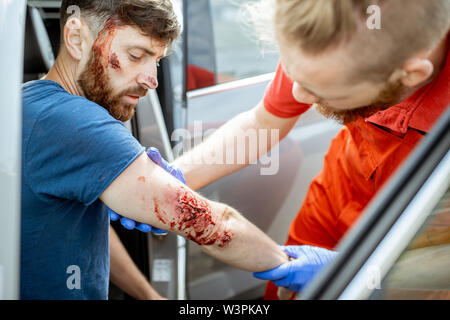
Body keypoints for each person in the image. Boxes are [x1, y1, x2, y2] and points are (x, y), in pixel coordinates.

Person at [172, 0, 450, 299]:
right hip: (343, 182)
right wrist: (173, 177)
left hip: (430, 225)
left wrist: (363, 270)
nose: (297, 94)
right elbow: (263, 121)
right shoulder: (328, 31)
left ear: (410, 74)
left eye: (320, 91)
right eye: (293, 74)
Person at [20, 0, 290, 299]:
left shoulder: (28, 101)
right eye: (137, 55)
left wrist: (148, 296)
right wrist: (290, 265)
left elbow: (80, 232)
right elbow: (214, 226)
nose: (152, 80)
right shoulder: (75, 123)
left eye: (157, 61)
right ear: (75, 38)